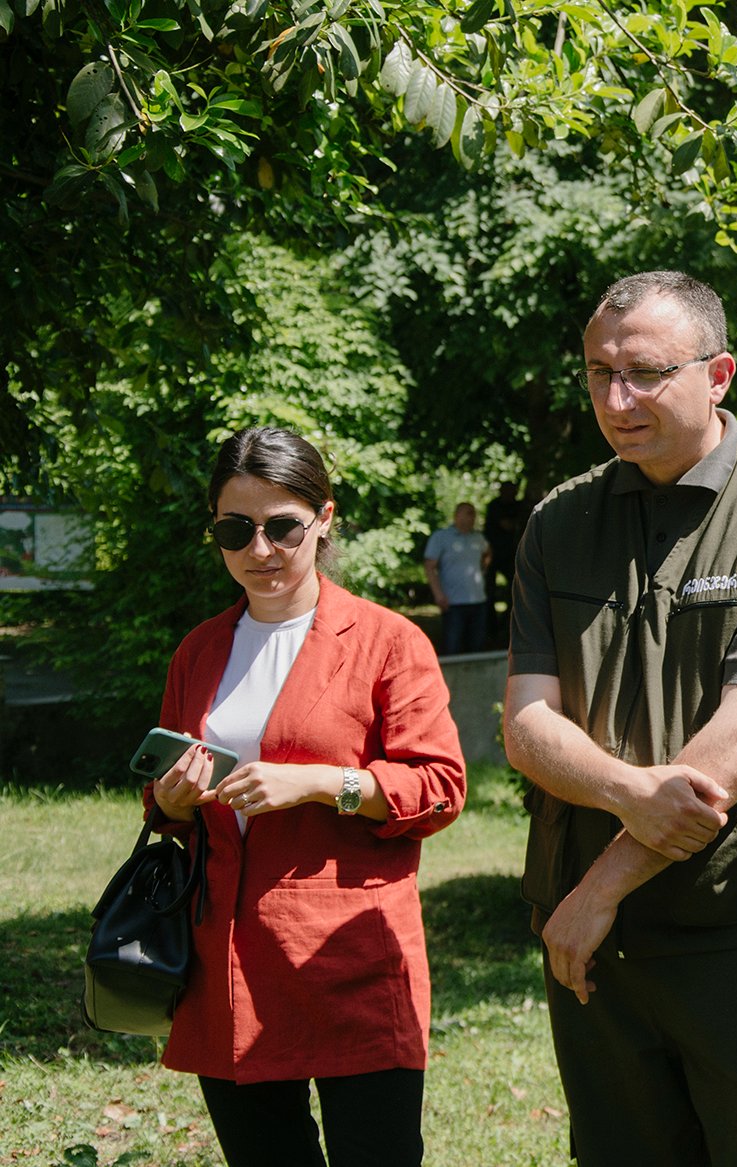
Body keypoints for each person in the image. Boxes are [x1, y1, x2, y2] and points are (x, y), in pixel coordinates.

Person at [503, 270, 737, 1167]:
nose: (616, 399)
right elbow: (528, 723)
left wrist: (600, 889)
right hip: (597, 952)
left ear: (719, 373)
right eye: (599, 372)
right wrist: (628, 795)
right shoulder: (559, 522)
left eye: (646, 373)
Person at [147, 425, 467, 1167]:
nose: (259, 550)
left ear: (324, 519)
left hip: (349, 957)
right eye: (235, 530)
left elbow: (441, 787)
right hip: (227, 962)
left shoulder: (388, 641)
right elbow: (164, 803)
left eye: (282, 527)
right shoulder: (199, 650)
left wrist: (322, 783)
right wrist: (174, 798)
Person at [424, 501, 490, 656]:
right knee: (452, 648)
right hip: (453, 602)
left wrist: (482, 570)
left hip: (478, 601)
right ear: (456, 515)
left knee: (477, 648)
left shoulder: (478, 538)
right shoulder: (441, 537)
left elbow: (488, 553)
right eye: (468, 513)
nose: (472, 517)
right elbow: (429, 566)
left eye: (473, 514)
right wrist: (438, 594)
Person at [483, 481, 529, 644]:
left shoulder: (519, 506)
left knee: (517, 589)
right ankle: (491, 627)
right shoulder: (495, 506)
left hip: (511, 554)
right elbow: (507, 525)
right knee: (488, 591)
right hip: (494, 553)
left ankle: (506, 623)